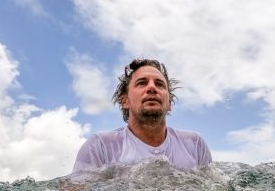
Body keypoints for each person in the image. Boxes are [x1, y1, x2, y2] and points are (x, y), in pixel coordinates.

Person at [72, 58, 212, 173]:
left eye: (159, 84)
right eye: (142, 83)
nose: (152, 87)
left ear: (169, 103)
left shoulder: (194, 144)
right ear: (125, 101)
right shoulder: (100, 146)